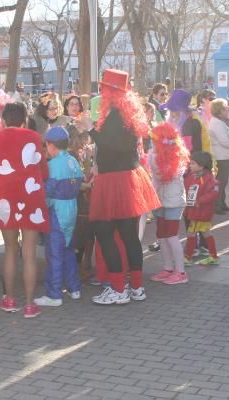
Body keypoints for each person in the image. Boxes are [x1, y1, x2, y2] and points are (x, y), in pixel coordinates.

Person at [78, 69, 160, 305]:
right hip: (126, 178)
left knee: (105, 233)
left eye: (104, 87)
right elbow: (120, 146)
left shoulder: (116, 114)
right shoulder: (126, 113)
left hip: (115, 180)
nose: (101, 92)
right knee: (129, 236)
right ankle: (135, 287)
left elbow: (111, 144)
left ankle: (118, 289)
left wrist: (89, 128)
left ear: (112, 91)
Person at [0, 102, 50, 318]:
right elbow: (44, 172)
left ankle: (9, 299)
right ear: (25, 119)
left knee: (10, 249)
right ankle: (30, 305)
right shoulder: (34, 138)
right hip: (31, 198)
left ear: (4, 120)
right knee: (30, 253)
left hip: (6, 199)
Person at [34, 127, 84, 306]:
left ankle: (54, 294)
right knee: (68, 249)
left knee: (54, 253)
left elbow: (46, 192)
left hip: (56, 211)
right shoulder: (73, 161)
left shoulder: (51, 166)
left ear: (51, 146)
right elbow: (80, 181)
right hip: (72, 208)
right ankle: (74, 288)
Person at [148, 123, 191, 284]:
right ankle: (167, 268)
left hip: (173, 202)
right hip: (159, 201)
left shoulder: (177, 157)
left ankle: (180, 272)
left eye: (155, 139)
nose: (152, 142)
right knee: (161, 236)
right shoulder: (153, 154)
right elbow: (154, 177)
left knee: (172, 236)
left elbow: (164, 176)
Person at [183, 152, 220, 266]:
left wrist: (199, 201)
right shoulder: (191, 175)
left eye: (193, 164)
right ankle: (212, 256)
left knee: (193, 234)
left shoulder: (208, 178)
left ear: (202, 165)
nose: (190, 166)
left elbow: (214, 193)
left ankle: (188, 257)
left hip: (201, 212)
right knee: (205, 233)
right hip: (194, 211)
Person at [208, 98, 229, 214]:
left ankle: (222, 204)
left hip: (224, 156)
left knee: (224, 182)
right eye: (226, 109)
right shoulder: (217, 123)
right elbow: (224, 141)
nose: (228, 110)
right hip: (222, 157)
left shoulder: (219, 122)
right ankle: (217, 206)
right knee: (221, 183)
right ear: (220, 111)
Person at [160, 89, 211, 154]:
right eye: (170, 110)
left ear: (182, 111)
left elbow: (189, 148)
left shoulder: (191, 123)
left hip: (197, 160)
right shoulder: (181, 121)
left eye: (174, 110)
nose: (172, 114)